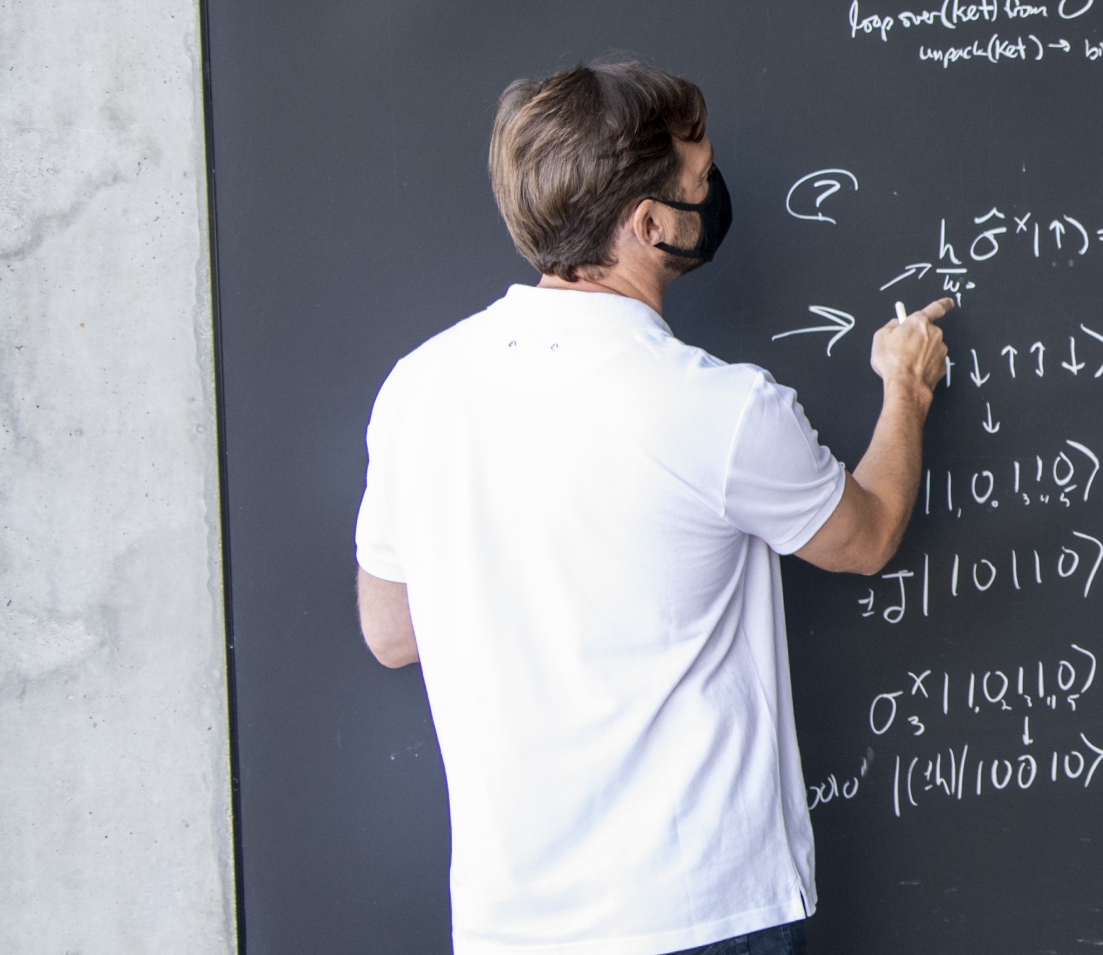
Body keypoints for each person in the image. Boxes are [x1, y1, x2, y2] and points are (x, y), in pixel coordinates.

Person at [352, 59, 951, 955]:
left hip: (510, 924)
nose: (713, 196)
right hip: (697, 912)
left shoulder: (419, 386)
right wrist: (905, 387)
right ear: (650, 223)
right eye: (701, 182)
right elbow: (863, 539)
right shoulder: (717, 407)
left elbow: (392, 632)